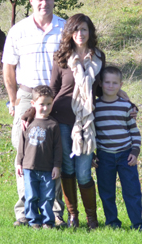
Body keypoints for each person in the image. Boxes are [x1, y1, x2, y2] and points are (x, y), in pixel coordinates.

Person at [2, 0, 66, 227]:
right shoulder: (18, 31)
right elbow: (9, 67)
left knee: (56, 151)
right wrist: (14, 100)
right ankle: (25, 211)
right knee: (23, 151)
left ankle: (55, 212)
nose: (43, 3)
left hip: (56, 97)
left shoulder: (64, 28)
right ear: (31, 1)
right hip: (27, 94)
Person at [48, 13, 105, 230]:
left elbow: (100, 89)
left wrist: (122, 96)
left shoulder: (98, 57)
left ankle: (92, 219)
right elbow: (54, 89)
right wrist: (37, 113)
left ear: (90, 32)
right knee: (68, 169)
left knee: (83, 172)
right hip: (62, 119)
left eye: (84, 29)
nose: (80, 33)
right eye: (76, 29)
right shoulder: (61, 57)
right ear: (69, 33)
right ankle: (73, 216)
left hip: (86, 122)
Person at [94, 66, 142, 232]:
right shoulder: (95, 107)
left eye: (115, 83)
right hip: (104, 156)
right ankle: (112, 223)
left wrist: (135, 152)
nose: (111, 86)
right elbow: (91, 134)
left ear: (121, 85)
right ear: (100, 84)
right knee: (106, 192)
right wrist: (92, 155)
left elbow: (134, 132)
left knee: (132, 191)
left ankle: (138, 224)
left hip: (126, 155)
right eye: (107, 82)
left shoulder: (126, 106)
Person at [16, 86, 63, 229]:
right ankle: (33, 220)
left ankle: (47, 221)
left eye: (49, 104)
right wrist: (19, 163)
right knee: (31, 195)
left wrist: (56, 166)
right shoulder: (28, 122)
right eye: (41, 104)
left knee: (48, 196)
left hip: (47, 168)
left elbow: (58, 148)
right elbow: (21, 144)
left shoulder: (53, 125)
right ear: (33, 104)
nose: (45, 108)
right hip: (29, 167)